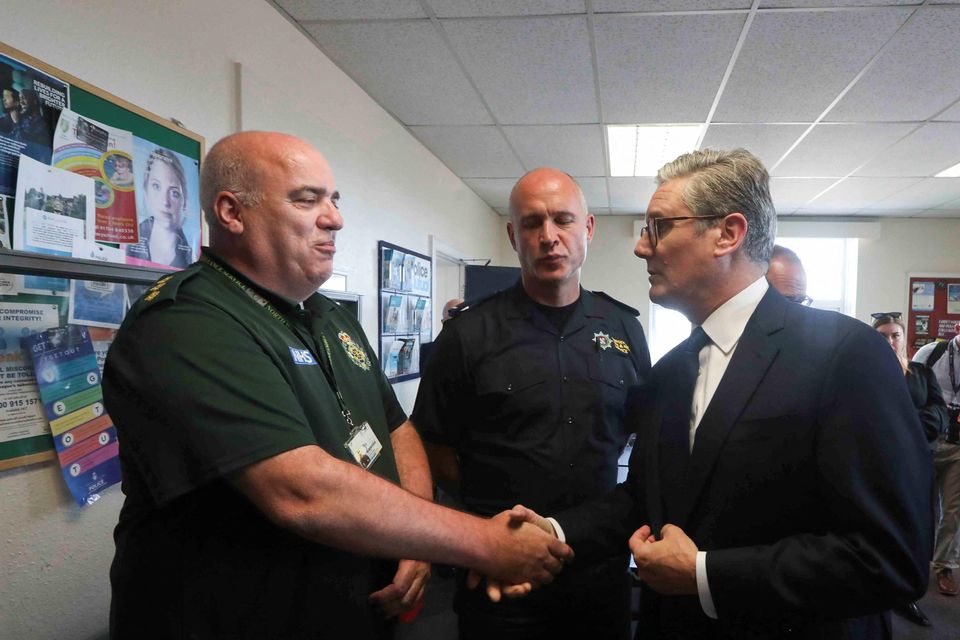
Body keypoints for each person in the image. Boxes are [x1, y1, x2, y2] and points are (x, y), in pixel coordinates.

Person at [103, 131, 572, 639]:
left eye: (334, 199)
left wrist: (415, 542)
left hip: (352, 611)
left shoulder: (327, 315)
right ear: (231, 213)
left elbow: (396, 430)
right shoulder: (187, 322)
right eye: (307, 199)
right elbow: (301, 491)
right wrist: (483, 542)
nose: (335, 218)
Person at [512, 148, 932, 639]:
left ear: (728, 234)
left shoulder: (846, 355)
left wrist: (705, 575)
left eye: (659, 227)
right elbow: (650, 497)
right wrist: (556, 532)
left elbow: (889, 557)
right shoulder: (670, 372)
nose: (641, 247)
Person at [411, 167, 651, 639]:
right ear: (512, 235)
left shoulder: (624, 329)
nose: (548, 237)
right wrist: (493, 523)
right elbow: (432, 446)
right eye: (531, 223)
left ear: (588, 229)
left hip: (599, 573)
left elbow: (638, 434)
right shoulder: (467, 335)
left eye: (563, 220)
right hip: (501, 573)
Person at [873, 313, 946, 626]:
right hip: (877, 467)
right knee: (878, 530)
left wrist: (904, 426)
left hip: (917, 466)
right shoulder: (862, 374)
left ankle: (907, 597)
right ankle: (876, 598)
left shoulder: (920, 373)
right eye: (883, 336)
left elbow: (939, 413)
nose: (890, 341)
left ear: (904, 338)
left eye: (895, 335)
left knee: (914, 529)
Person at [913, 320, 960, 596]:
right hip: (926, 441)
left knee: (953, 510)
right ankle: (913, 560)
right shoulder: (930, 353)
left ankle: (944, 565)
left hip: (957, 446)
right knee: (918, 504)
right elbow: (907, 390)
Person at [125, 148, 194, 268]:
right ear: (146, 190)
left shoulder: (191, 257)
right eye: (156, 186)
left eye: (174, 193)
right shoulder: (129, 242)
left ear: (183, 202)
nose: (165, 201)